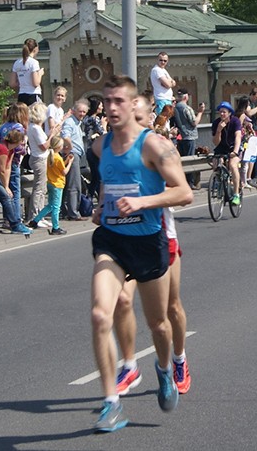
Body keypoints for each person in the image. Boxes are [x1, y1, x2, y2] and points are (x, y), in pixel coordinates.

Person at [89, 75, 192, 432]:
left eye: (118, 101)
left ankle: (164, 368)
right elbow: (108, 179)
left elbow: (184, 193)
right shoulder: (101, 146)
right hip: (112, 241)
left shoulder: (155, 146)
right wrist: (101, 207)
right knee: (101, 314)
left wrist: (143, 202)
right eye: (106, 101)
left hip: (148, 241)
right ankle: (111, 404)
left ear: (133, 105)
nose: (111, 108)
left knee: (159, 324)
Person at [113, 94, 192, 398]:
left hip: (160, 236)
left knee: (170, 308)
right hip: (123, 238)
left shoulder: (161, 148)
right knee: (121, 299)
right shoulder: (114, 148)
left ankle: (179, 358)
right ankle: (130, 363)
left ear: (148, 119)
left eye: (137, 113)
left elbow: (181, 191)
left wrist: (144, 198)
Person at [28, 135, 72, 235]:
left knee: (50, 205)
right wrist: (70, 163)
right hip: (58, 184)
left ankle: (35, 220)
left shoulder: (50, 155)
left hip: (50, 182)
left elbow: (57, 167)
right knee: (56, 206)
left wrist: (66, 160)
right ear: (59, 147)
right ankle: (55, 227)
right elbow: (64, 171)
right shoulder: (58, 158)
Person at [0, 103, 29, 226]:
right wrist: (24, 149)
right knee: (15, 192)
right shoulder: (19, 128)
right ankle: (15, 219)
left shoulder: (4, 126)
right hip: (13, 162)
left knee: (6, 191)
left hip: (2, 160)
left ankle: (6, 218)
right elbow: (19, 148)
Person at [26, 102, 60, 225]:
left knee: (42, 188)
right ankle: (34, 215)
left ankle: (39, 215)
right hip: (39, 159)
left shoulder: (34, 127)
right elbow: (44, 146)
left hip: (39, 158)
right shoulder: (35, 128)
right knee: (39, 189)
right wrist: (52, 136)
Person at [60, 99, 90, 220]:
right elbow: (65, 135)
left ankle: (65, 211)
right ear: (74, 110)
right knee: (74, 184)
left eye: (84, 112)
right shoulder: (71, 122)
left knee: (68, 185)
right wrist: (71, 147)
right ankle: (73, 213)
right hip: (73, 155)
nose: (82, 114)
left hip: (75, 155)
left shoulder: (76, 122)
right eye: (80, 111)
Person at [172, 88, 205, 190]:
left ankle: (182, 182)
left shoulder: (175, 107)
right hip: (189, 137)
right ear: (186, 97)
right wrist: (200, 112)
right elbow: (194, 122)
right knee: (190, 160)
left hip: (179, 136)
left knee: (183, 160)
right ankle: (190, 183)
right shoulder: (187, 108)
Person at [211, 101, 242, 205]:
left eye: (224, 112)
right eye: (220, 112)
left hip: (233, 147)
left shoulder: (235, 121)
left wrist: (236, 151)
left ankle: (236, 194)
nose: (222, 114)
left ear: (229, 113)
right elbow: (215, 142)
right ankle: (221, 185)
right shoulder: (216, 123)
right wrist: (219, 130)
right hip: (221, 148)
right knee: (216, 165)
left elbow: (238, 136)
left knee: (233, 165)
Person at [10, 38, 44, 106]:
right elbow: (35, 83)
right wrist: (40, 74)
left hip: (21, 95)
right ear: (35, 49)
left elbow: (12, 83)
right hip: (33, 95)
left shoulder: (17, 63)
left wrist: (22, 81)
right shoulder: (34, 63)